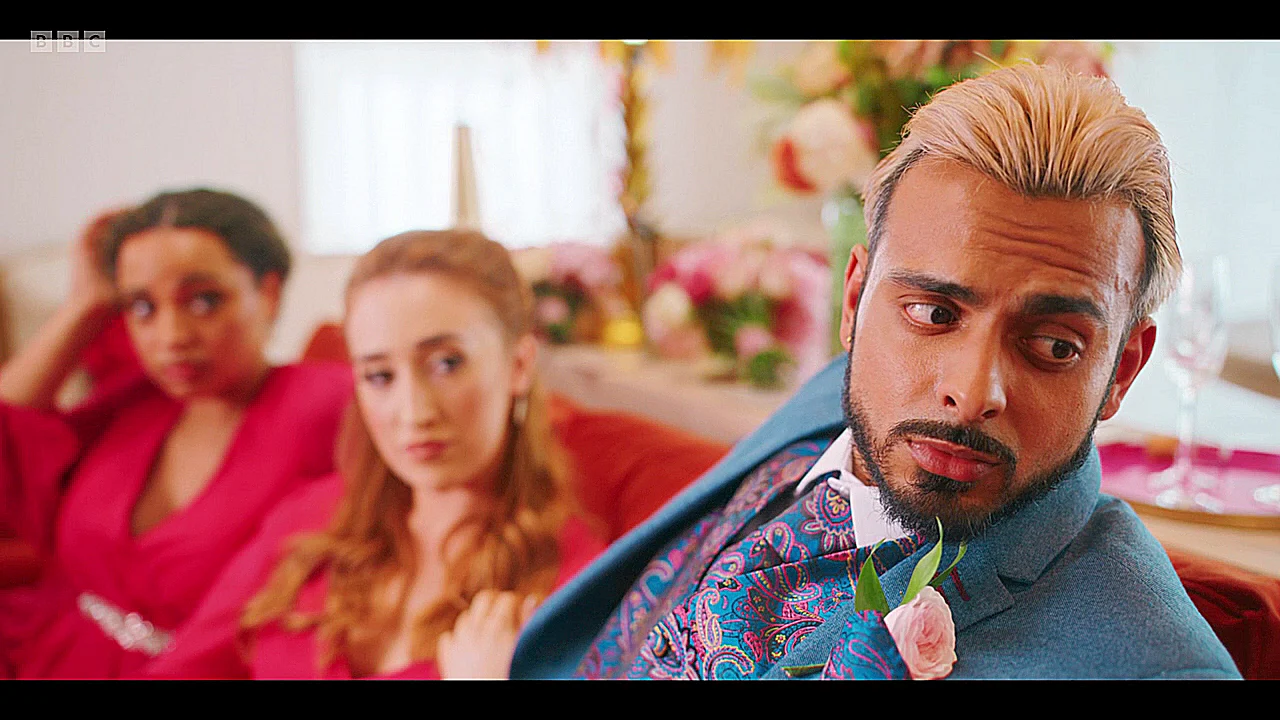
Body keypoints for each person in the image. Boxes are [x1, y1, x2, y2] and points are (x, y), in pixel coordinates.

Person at [508, 63, 1242, 680]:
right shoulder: (833, 402)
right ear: (855, 301)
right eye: (934, 313)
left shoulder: (1154, 665)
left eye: (1053, 347)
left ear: (1122, 370)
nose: (970, 393)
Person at [142, 229, 607, 679]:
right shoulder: (310, 520)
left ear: (519, 365)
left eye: (447, 363)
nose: (414, 412)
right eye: (380, 376)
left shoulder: (572, 586)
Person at [0, 189, 353, 679]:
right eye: (142, 307)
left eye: (204, 301)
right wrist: (84, 306)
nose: (171, 337)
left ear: (268, 293)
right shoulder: (136, 401)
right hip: (40, 651)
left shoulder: (327, 404)